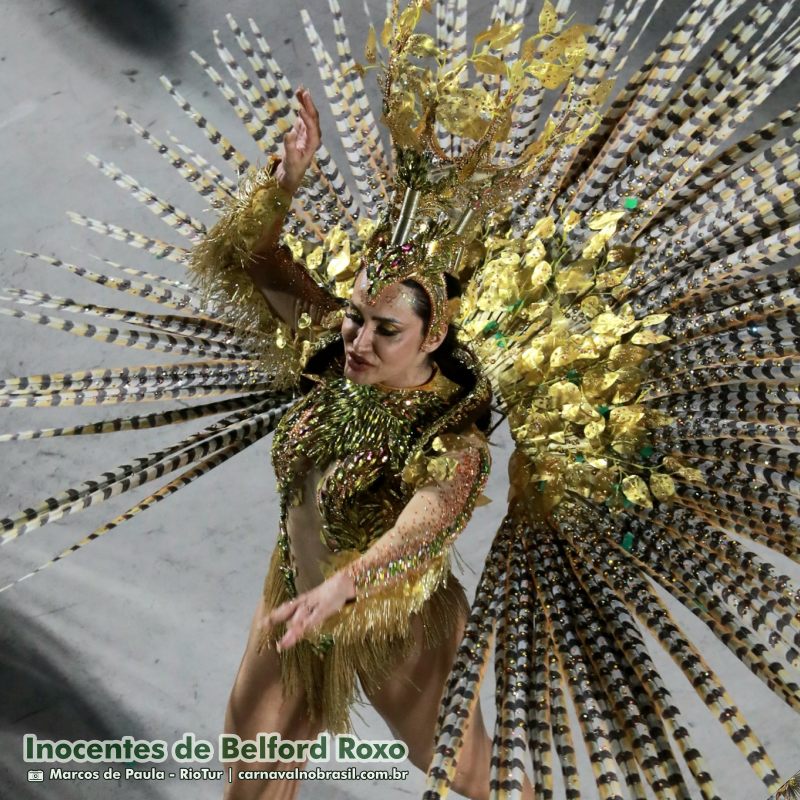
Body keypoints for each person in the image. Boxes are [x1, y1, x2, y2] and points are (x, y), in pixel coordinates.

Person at [214, 88, 531, 800]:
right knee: (252, 774)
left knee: (466, 771)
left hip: (395, 619)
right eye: (355, 316)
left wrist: (348, 586)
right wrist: (287, 181)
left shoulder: (449, 434)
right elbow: (255, 258)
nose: (358, 339)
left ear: (434, 335)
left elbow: (426, 526)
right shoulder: (331, 350)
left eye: (386, 328)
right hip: (296, 598)